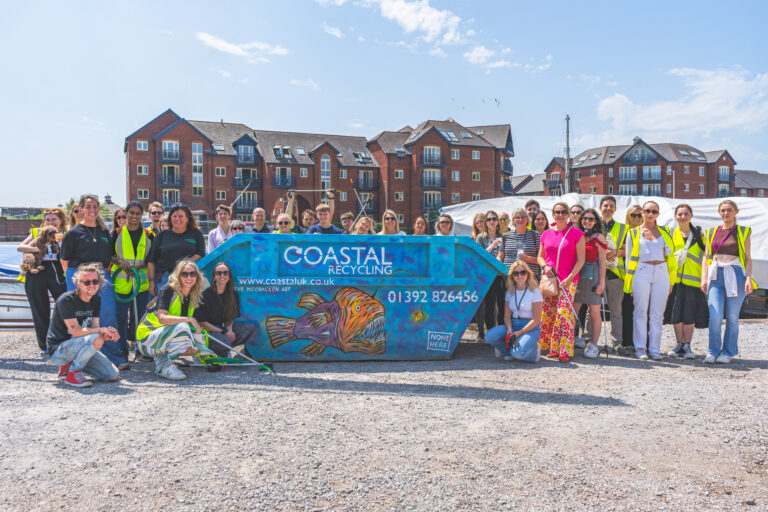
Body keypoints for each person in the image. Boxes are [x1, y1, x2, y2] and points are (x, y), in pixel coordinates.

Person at [60, 194, 123, 368]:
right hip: (79, 276)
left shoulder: (103, 232)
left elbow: (108, 256)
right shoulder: (73, 233)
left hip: (101, 276)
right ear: (81, 209)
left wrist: (121, 263)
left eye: (95, 206)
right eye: (88, 207)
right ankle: (79, 359)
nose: (92, 210)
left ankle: (113, 357)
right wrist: (75, 283)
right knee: (81, 317)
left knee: (108, 314)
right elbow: (64, 261)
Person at [136, 260, 213, 380]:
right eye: (184, 274)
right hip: (146, 340)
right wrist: (188, 320)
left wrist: (201, 350)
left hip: (162, 336)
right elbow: (162, 318)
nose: (189, 277)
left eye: (192, 274)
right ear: (178, 275)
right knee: (183, 326)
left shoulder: (194, 295)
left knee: (198, 331)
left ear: (197, 277)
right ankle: (167, 365)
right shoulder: (168, 290)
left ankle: (165, 365)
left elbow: (197, 328)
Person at [46, 263, 120, 388]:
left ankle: (68, 368)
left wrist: (107, 334)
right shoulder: (67, 300)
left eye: (95, 281)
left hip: (80, 345)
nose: (91, 285)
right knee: (97, 337)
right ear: (78, 283)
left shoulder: (96, 299)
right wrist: (101, 331)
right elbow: (76, 332)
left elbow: (95, 329)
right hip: (59, 350)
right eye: (87, 282)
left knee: (113, 375)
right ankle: (73, 373)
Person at [701, 199, 755, 364]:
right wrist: (704, 278)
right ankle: (713, 351)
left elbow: (748, 258)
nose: (726, 213)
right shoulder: (711, 232)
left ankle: (727, 352)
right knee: (715, 315)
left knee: (732, 316)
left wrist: (748, 278)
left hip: (736, 274)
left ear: (735, 212)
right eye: (723, 210)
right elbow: (706, 257)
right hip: (716, 274)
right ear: (719, 212)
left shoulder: (743, 231)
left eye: (729, 210)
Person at [624, 200, 676, 360]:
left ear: (658, 214)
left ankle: (654, 349)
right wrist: (629, 283)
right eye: (647, 211)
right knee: (640, 312)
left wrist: (671, 281)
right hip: (641, 272)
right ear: (642, 213)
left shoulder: (665, 231)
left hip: (662, 273)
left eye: (654, 211)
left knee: (657, 314)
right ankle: (640, 349)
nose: (650, 214)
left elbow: (671, 256)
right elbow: (628, 260)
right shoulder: (633, 233)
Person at [537, 202, 585, 363]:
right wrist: (545, 267)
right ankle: (552, 348)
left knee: (563, 314)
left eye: (564, 212)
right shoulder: (546, 234)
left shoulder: (577, 234)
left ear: (568, 215)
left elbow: (581, 260)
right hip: (550, 280)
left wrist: (570, 277)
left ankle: (564, 349)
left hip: (567, 281)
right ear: (553, 214)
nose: (560, 215)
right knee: (548, 313)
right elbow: (540, 257)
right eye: (557, 212)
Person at [17, 207, 68, 351]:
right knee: (39, 309)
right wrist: (37, 249)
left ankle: (63, 339)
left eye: (54, 219)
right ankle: (45, 345)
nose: (50, 222)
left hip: (57, 269)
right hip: (36, 269)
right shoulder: (36, 232)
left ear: (60, 220)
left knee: (64, 305)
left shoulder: (65, 234)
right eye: (48, 220)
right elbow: (21, 247)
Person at [109, 201, 154, 359]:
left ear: (142, 215)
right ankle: (122, 349)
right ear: (126, 214)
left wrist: (142, 265)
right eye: (131, 213)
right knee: (121, 317)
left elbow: (153, 258)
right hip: (121, 283)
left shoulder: (149, 235)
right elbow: (108, 255)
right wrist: (120, 262)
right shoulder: (117, 233)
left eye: (138, 213)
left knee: (140, 317)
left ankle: (140, 348)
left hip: (141, 283)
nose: (134, 216)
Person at [664, 204, 707, 359]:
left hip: (693, 281)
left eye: (686, 214)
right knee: (676, 314)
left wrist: (704, 279)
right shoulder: (670, 233)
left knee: (689, 314)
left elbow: (706, 257)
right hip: (674, 281)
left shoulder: (699, 235)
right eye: (680, 214)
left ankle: (687, 345)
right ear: (675, 216)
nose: (683, 217)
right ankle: (679, 344)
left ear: (691, 215)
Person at [484, 260, 543, 362]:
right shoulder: (510, 291)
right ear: (512, 276)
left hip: (530, 327)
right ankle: (509, 351)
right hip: (514, 324)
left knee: (518, 353)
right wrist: (509, 328)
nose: (519, 276)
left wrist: (520, 332)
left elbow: (537, 319)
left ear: (528, 274)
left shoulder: (535, 291)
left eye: (523, 272)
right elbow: (507, 316)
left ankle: (534, 352)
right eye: (516, 273)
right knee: (489, 336)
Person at [195, 262, 259, 357]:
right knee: (225, 340)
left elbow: (230, 318)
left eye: (225, 273)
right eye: (219, 273)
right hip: (208, 332)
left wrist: (229, 330)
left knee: (250, 328)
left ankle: (231, 351)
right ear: (214, 277)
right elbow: (202, 323)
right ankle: (216, 353)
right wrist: (223, 332)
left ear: (229, 277)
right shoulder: (205, 296)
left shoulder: (233, 295)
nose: (222, 275)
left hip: (223, 329)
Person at [147, 204, 205, 295]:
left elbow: (200, 253)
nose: (177, 219)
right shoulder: (162, 235)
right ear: (170, 218)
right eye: (174, 216)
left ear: (187, 218)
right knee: (164, 304)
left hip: (189, 278)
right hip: (165, 279)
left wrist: (182, 266)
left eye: (180, 216)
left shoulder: (196, 234)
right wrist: (151, 282)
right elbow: (150, 260)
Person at [594, 195, 627, 352]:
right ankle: (590, 340)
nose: (608, 208)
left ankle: (617, 343)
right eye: (605, 205)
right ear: (600, 208)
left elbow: (627, 250)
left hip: (615, 273)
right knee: (593, 309)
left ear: (615, 209)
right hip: (595, 271)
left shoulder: (623, 228)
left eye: (611, 206)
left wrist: (615, 252)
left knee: (616, 310)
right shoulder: (593, 225)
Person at [572, 208, 607, 359]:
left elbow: (603, 263)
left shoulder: (599, 237)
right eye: (585, 218)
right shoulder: (576, 234)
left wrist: (601, 283)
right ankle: (570, 339)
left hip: (593, 278)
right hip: (577, 277)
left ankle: (593, 344)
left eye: (591, 219)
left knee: (594, 312)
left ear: (596, 221)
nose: (587, 221)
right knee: (573, 311)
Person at [618, 205, 644, 355]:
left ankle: (643, 342)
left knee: (642, 311)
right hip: (625, 276)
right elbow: (620, 250)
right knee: (626, 310)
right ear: (628, 216)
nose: (636, 218)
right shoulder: (624, 232)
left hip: (643, 276)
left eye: (639, 215)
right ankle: (627, 342)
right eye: (633, 215)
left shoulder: (647, 232)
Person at [498, 208, 541, 279]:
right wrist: (500, 266)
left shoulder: (535, 235)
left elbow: (541, 258)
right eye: (517, 217)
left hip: (530, 278)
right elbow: (500, 256)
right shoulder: (506, 236)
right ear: (513, 220)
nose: (520, 219)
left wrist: (528, 258)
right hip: (509, 278)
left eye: (523, 217)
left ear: (527, 219)